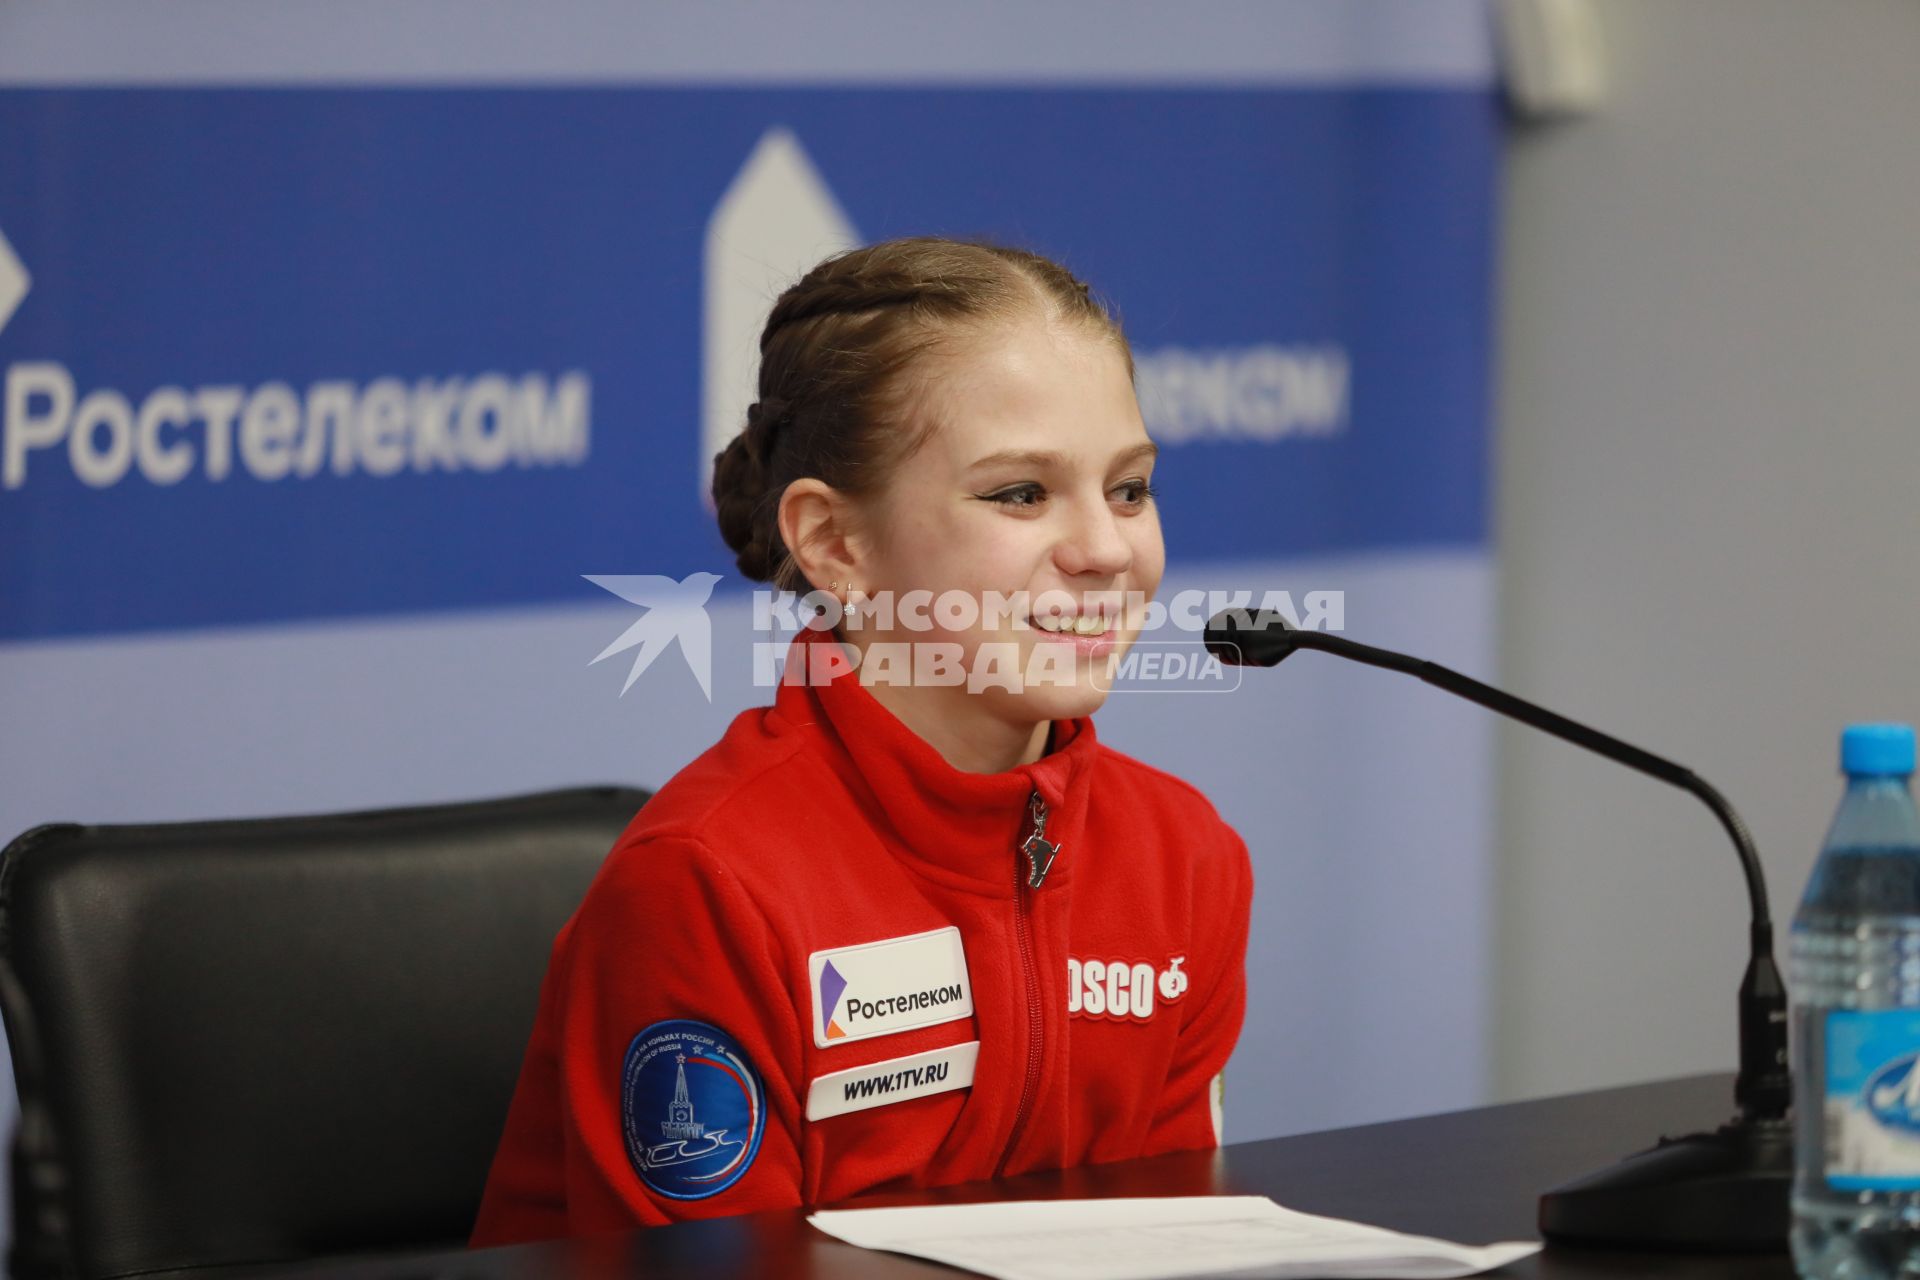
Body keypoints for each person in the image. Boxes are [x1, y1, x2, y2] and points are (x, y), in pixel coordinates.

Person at [469, 237, 1253, 1245]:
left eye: (1130, 488)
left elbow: (1166, 1247)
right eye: (1020, 492)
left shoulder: (1184, 857)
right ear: (838, 545)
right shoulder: (706, 885)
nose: (1106, 548)